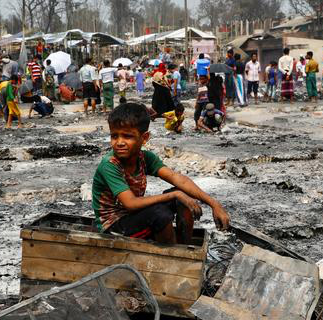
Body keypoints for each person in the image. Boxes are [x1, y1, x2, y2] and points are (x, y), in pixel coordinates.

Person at [91, 102, 229, 244]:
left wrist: (214, 204)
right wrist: (175, 194)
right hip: (113, 227)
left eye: (127, 136)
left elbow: (178, 179)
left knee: (183, 196)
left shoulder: (145, 158)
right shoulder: (110, 164)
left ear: (144, 138)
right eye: (114, 136)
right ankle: (171, 256)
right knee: (160, 214)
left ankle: (185, 247)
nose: (119, 142)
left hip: (132, 217)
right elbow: (130, 203)